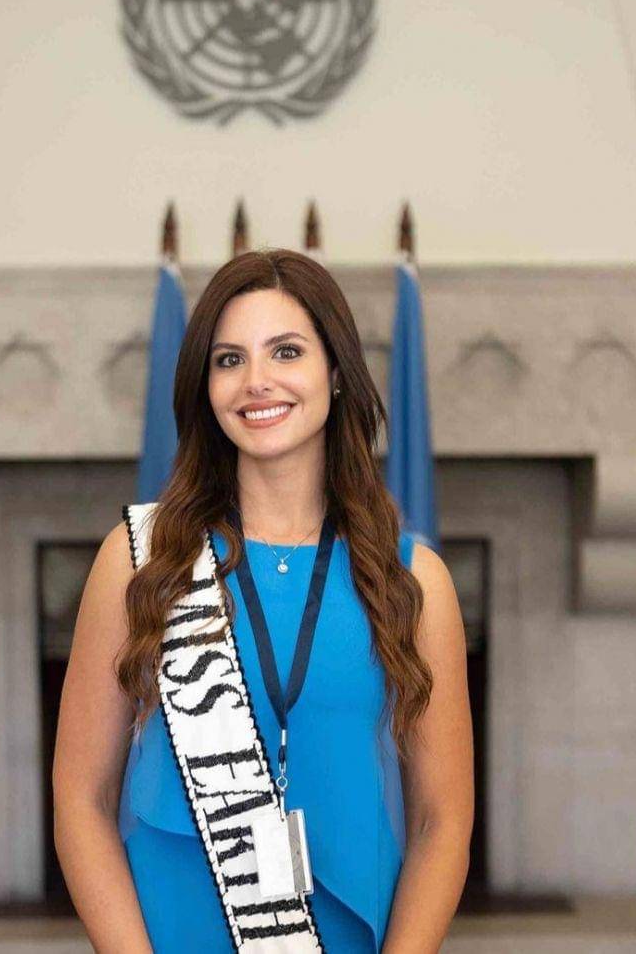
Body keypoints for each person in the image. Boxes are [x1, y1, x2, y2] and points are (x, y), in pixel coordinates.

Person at [53, 248, 473, 952]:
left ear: (334, 372)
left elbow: (443, 822)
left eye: (286, 351)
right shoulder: (138, 562)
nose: (256, 381)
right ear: (205, 386)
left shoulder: (414, 581)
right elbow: (80, 800)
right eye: (229, 359)